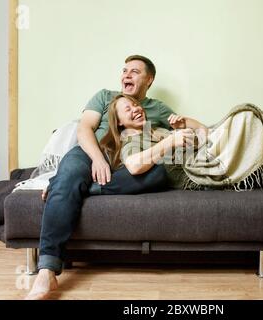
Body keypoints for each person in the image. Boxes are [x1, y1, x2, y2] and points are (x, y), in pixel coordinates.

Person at [26, 55, 177, 300]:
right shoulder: (105, 96)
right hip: (91, 152)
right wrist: (97, 158)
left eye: (135, 71)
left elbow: (186, 130)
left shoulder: (157, 108)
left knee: (159, 173)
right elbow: (84, 128)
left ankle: (78, 188)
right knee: (72, 174)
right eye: (125, 70)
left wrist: (179, 124)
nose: (127, 75)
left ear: (149, 79)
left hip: (128, 164)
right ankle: (47, 270)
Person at [101, 94, 263, 192]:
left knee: (247, 114)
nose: (135, 109)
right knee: (245, 113)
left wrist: (185, 123)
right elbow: (134, 166)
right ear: (118, 121)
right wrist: (171, 141)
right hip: (197, 170)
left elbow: (205, 135)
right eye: (128, 109)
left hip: (207, 153)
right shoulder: (130, 139)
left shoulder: (157, 130)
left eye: (135, 104)